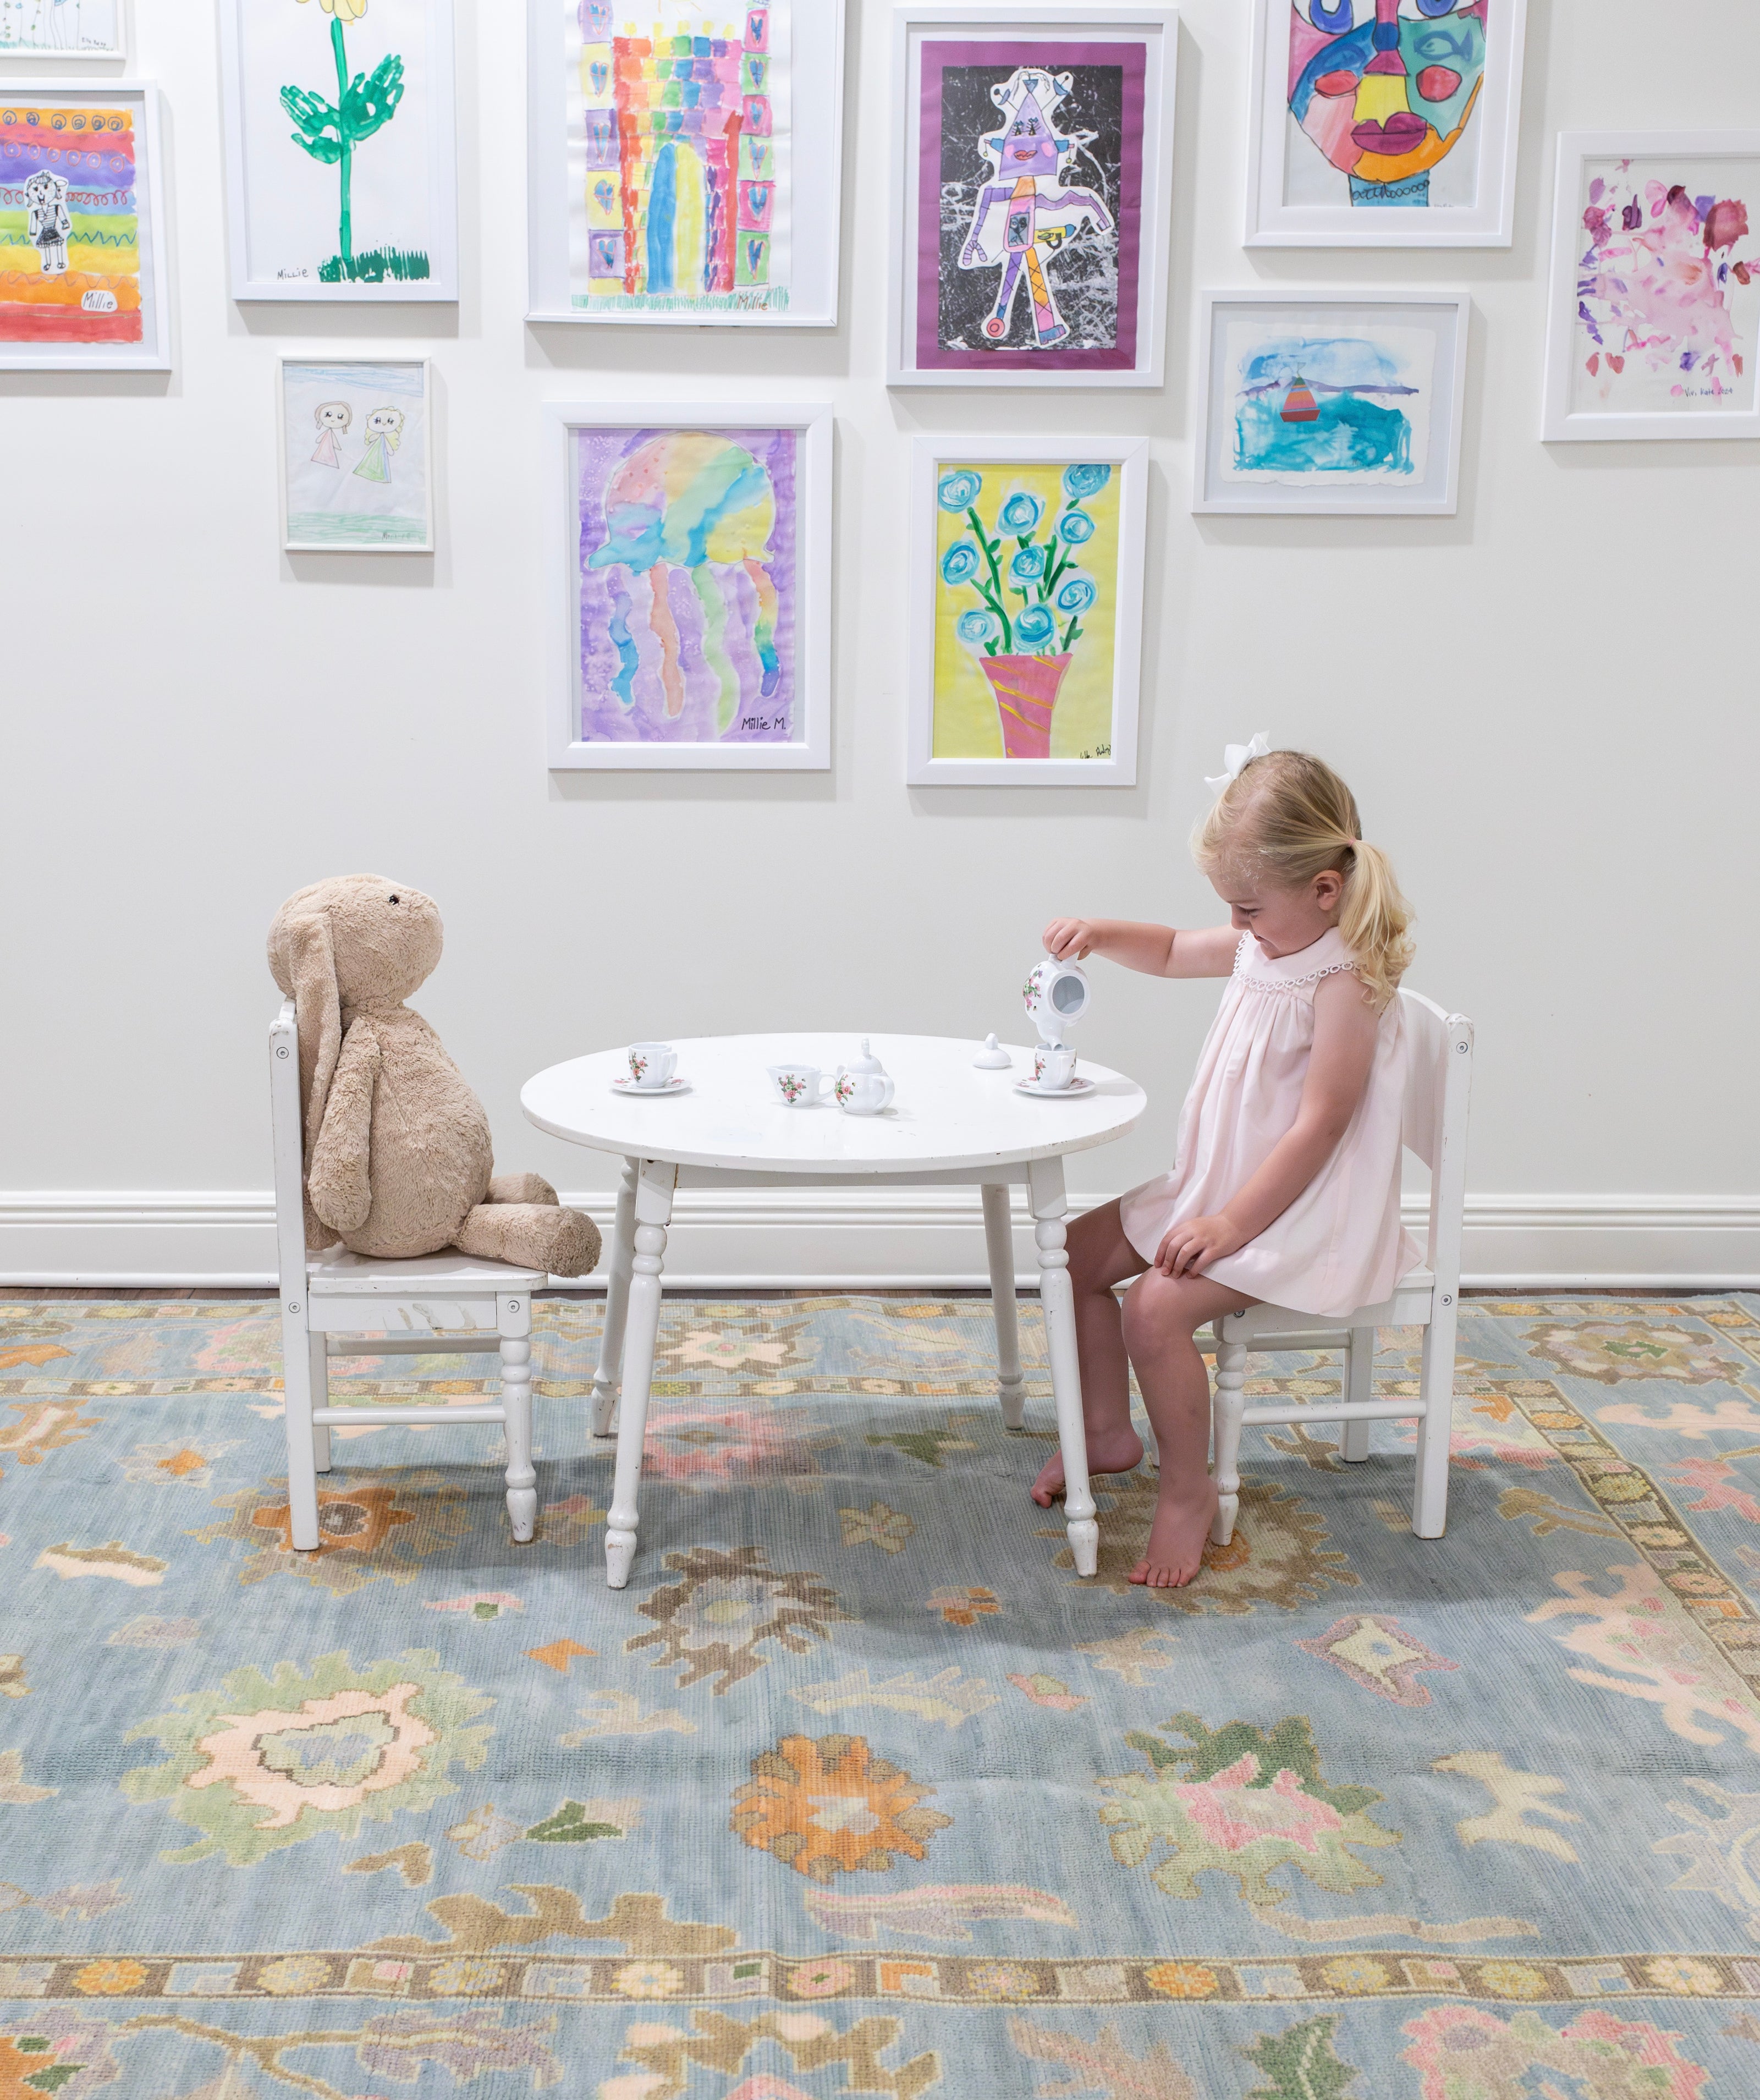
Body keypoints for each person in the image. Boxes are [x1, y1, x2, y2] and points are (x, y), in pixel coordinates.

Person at [1034, 740, 1420, 1588]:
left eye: (1247, 908)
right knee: (1071, 1256)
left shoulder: (1344, 981)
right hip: (1219, 1188)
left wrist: (1229, 1225)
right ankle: (1106, 1430)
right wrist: (1100, 934)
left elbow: (1322, 1127)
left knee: (1154, 1312)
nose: (1238, 926)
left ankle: (1187, 1491)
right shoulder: (1267, 942)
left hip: (1296, 1213)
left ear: (1325, 889)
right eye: (1233, 910)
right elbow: (1174, 949)